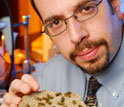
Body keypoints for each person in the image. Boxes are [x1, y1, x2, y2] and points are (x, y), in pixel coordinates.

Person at [1, 0, 124, 106]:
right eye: (55, 22)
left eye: (86, 9)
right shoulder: (49, 74)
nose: (75, 36)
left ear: (114, 4)